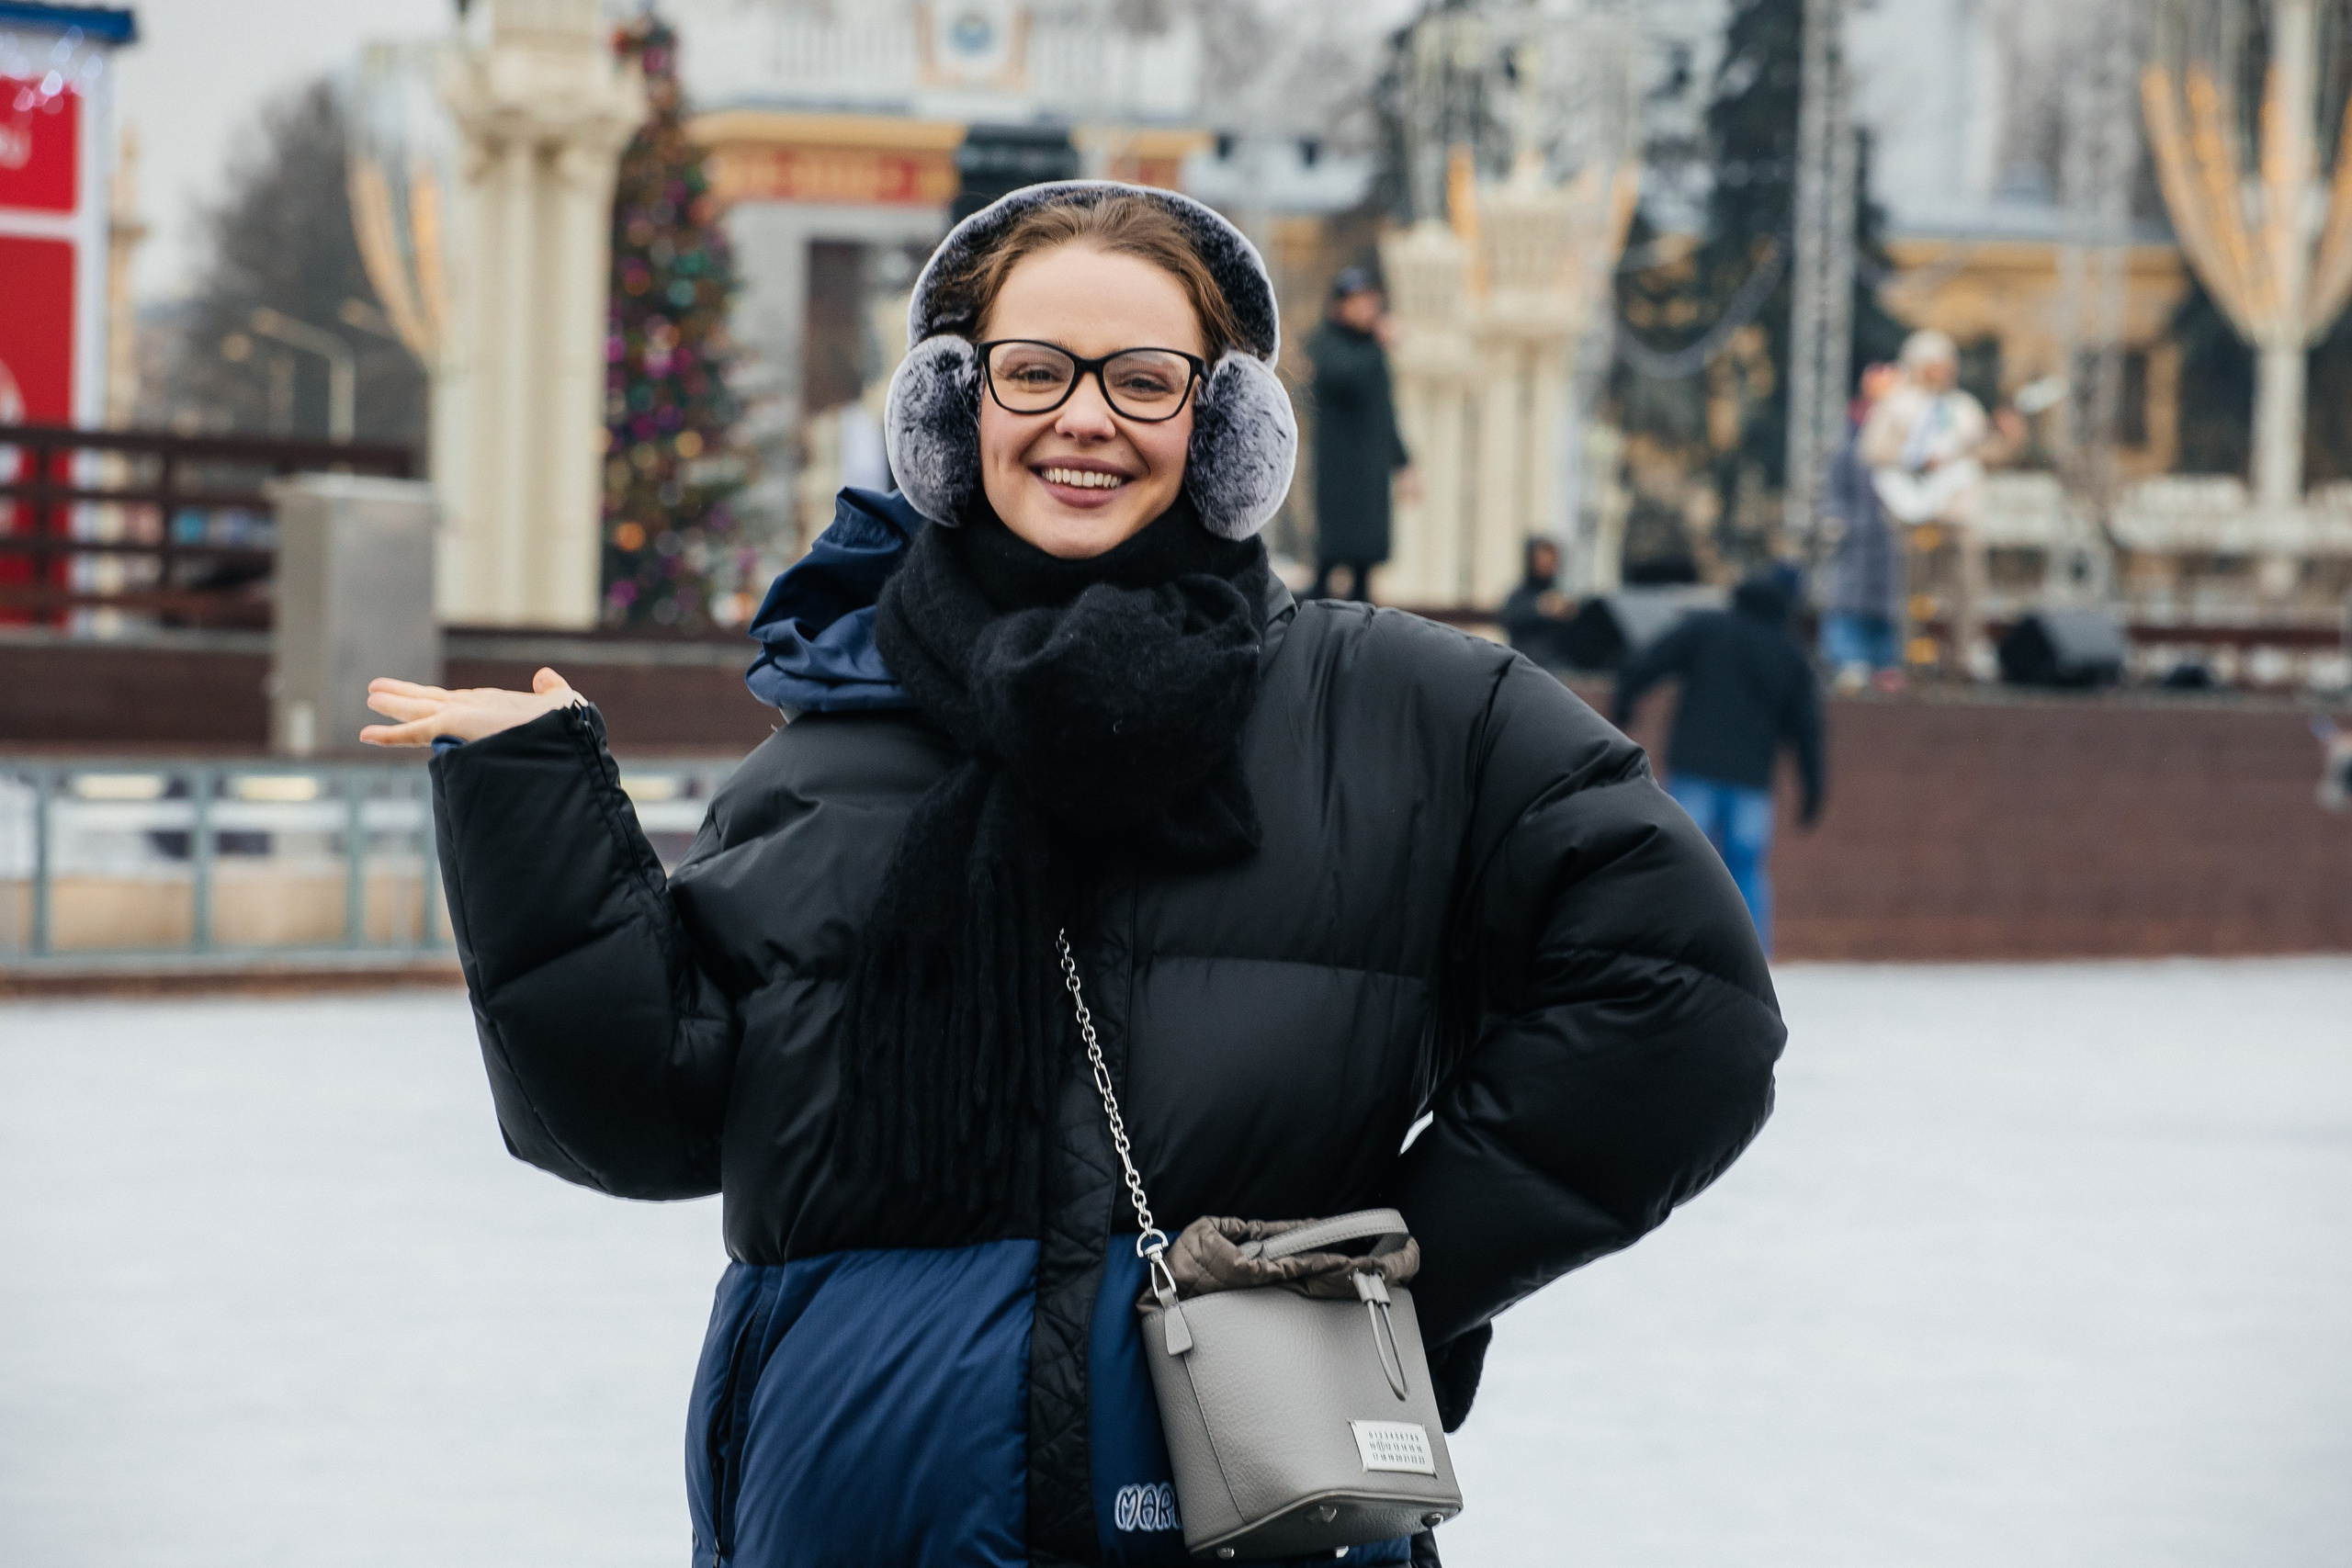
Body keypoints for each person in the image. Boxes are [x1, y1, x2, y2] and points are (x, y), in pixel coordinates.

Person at [360, 185, 1782, 1568]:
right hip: (861, 1508)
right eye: (1032, 371)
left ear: (1225, 427)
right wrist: (527, 804)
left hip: (1241, 1509)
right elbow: (638, 1122)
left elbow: (1682, 1004)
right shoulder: (833, 749)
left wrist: (1411, 1263)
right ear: (952, 409)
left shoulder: (1410, 708)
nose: (1083, 416)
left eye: (1144, 379)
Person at [1611, 566, 1826, 954]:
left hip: (1694, 770)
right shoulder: (1789, 654)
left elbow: (1652, 659)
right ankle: (1753, 958)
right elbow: (1807, 730)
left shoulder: (1707, 629)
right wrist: (1813, 789)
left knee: (1681, 862)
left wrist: (1625, 700)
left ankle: (1665, 947)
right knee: (1746, 872)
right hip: (1751, 784)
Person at [1306, 266, 1415, 600]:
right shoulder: (1330, 345)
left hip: (1370, 476)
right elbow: (1342, 377)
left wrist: (1404, 462)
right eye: (1360, 302)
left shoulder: (1371, 352)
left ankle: (1358, 643)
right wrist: (1378, 346)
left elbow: (1384, 414)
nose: (1369, 310)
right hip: (1341, 477)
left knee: (1365, 569)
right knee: (1330, 563)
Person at [1819, 363, 1905, 693]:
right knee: (1848, 597)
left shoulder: (1904, 430)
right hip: (1856, 534)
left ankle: (1887, 662)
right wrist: (1835, 518)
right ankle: (1848, 659)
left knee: (1891, 600)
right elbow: (1835, 485)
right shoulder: (1848, 435)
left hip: (1893, 534)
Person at [1499, 536, 1577, 669]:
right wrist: (1540, 609)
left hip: (1558, 668)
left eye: (1552, 559)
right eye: (1542, 558)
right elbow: (1509, 618)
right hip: (1525, 665)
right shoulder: (1520, 596)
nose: (1547, 564)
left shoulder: (1562, 596)